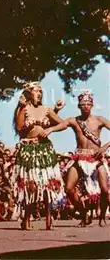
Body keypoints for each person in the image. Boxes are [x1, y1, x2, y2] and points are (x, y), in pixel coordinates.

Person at [49, 91, 110, 226]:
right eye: (83, 104)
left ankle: (102, 217)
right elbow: (61, 125)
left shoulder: (99, 120)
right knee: (69, 188)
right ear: (79, 106)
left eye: (88, 104)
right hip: (79, 157)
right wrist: (50, 130)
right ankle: (84, 214)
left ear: (92, 105)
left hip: (96, 158)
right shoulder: (74, 120)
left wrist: (105, 147)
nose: (86, 106)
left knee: (105, 189)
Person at [12, 81, 66, 230]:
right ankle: (27, 218)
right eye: (36, 91)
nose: (39, 94)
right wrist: (21, 107)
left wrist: (50, 130)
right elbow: (18, 127)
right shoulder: (24, 109)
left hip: (44, 149)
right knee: (31, 185)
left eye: (41, 91)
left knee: (48, 183)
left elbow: (63, 124)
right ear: (29, 94)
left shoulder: (47, 110)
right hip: (28, 150)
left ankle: (49, 218)